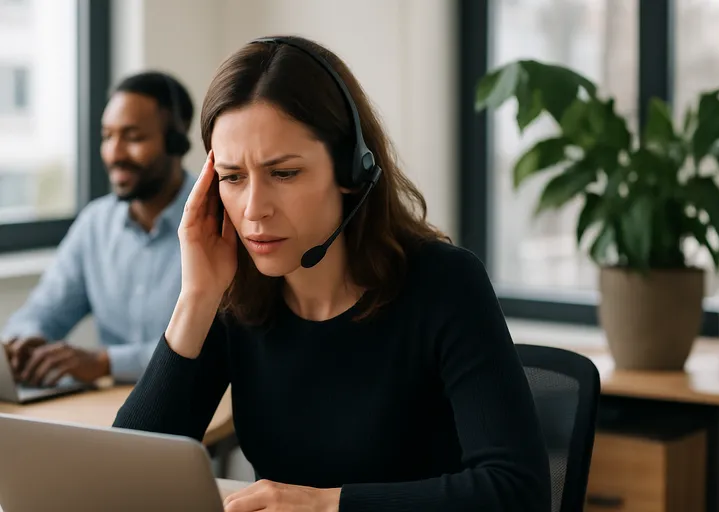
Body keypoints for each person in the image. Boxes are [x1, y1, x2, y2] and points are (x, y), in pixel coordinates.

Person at [113, 36, 551, 511]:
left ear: (351, 170)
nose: (254, 210)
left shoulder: (445, 283)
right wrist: (196, 298)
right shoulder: (236, 298)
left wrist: (327, 506)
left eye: (283, 173)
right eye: (233, 177)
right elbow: (123, 480)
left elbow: (517, 491)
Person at [1, 71, 197, 386]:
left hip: (197, 401)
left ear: (176, 141)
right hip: (109, 408)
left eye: (133, 138)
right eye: (108, 136)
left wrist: (106, 362)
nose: (114, 154)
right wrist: (24, 340)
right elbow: (45, 308)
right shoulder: (96, 224)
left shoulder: (218, 221)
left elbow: (219, 345)